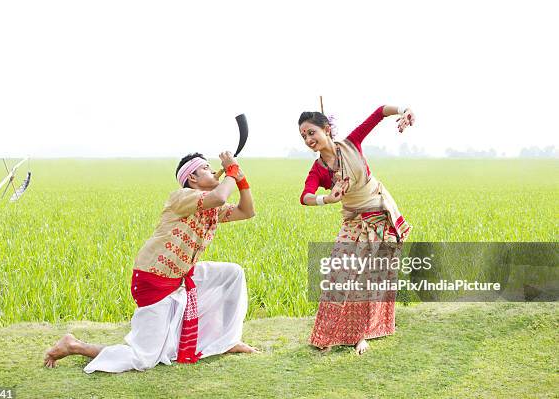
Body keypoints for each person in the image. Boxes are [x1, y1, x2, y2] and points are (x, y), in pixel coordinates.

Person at [44, 151, 257, 373]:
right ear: (192, 178)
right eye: (205, 168)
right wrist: (231, 170)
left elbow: (247, 211)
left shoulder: (211, 209)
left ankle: (227, 341)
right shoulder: (181, 197)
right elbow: (221, 196)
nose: (213, 170)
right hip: (153, 281)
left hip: (181, 276)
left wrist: (241, 179)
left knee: (232, 274)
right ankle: (74, 345)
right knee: (143, 358)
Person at [298, 105, 415, 354]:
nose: (308, 140)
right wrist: (327, 199)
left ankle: (360, 335)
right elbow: (305, 196)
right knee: (338, 273)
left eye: (311, 133)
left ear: (327, 129)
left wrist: (404, 110)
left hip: (379, 214)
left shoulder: (352, 143)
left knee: (370, 277)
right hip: (353, 220)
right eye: (304, 136)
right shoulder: (319, 169)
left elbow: (379, 112)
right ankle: (327, 335)